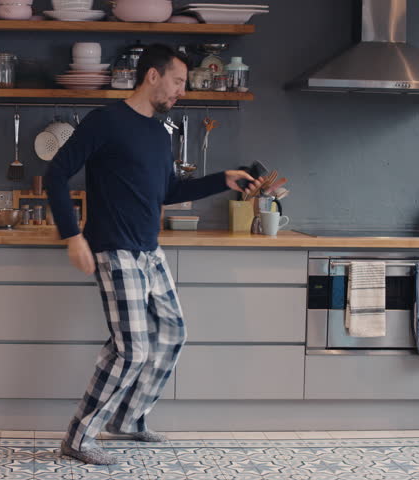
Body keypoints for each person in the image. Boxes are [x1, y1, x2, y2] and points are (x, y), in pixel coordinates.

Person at [44, 43, 262, 465]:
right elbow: (55, 174)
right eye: (178, 81)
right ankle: (78, 435)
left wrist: (224, 178)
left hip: (148, 251)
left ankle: (127, 419)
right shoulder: (104, 121)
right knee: (132, 349)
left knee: (173, 333)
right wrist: (72, 235)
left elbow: (170, 191)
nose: (183, 90)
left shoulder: (161, 133)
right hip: (113, 248)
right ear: (153, 76)